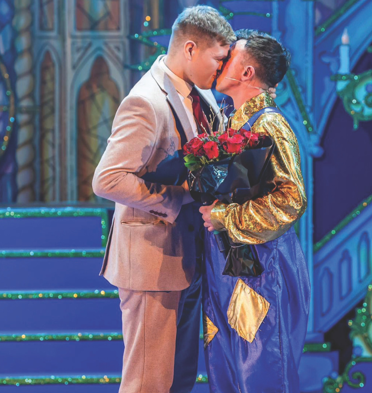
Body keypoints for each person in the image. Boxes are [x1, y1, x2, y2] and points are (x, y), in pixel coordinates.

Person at [92, 6, 235, 393]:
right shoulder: (145, 101)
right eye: (219, 59)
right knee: (148, 383)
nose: (222, 69)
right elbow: (106, 180)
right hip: (150, 263)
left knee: (178, 381)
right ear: (190, 49)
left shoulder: (201, 95)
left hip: (186, 261)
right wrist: (174, 198)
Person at [199, 29, 311, 393]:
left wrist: (226, 218)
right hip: (229, 263)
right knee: (226, 367)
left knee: (262, 370)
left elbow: (290, 199)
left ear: (247, 72)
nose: (220, 62)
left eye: (229, 56)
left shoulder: (269, 124)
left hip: (263, 268)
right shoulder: (230, 121)